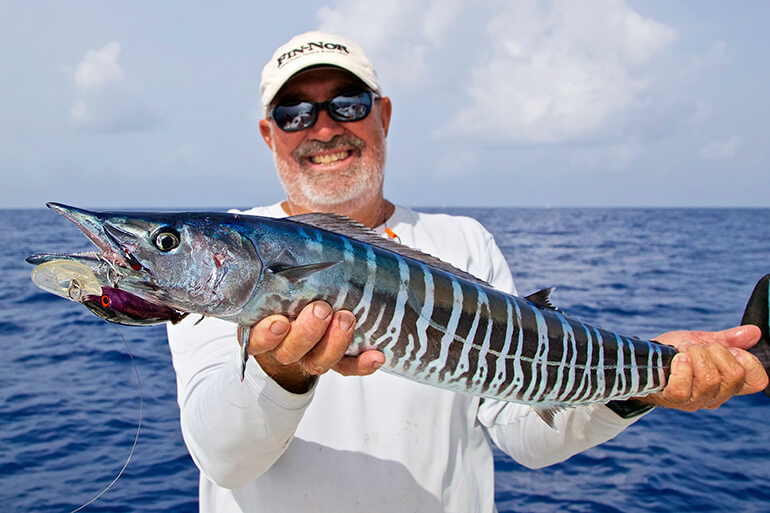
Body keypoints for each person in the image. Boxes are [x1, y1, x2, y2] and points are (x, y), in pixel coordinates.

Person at [167, 31, 768, 513]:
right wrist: (278, 373)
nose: (323, 129)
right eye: (296, 113)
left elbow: (524, 428)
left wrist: (644, 381)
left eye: (346, 106)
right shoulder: (215, 264)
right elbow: (225, 459)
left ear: (384, 116)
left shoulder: (464, 242)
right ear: (269, 134)